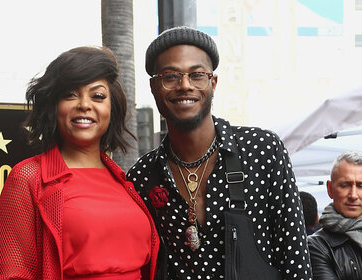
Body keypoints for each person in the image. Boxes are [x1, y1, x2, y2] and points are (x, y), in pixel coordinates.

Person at [127, 26, 312, 279]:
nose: (184, 85)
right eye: (170, 76)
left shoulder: (262, 149)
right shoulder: (143, 176)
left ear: (213, 83)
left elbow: (296, 259)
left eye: (197, 75)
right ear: (154, 87)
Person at [0, 46, 159, 279]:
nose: (84, 104)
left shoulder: (123, 181)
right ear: (54, 106)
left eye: (97, 96)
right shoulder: (28, 177)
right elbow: (11, 274)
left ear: (112, 108)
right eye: (70, 94)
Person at [308, 151, 362, 279]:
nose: (353, 195)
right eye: (345, 185)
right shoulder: (317, 245)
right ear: (330, 189)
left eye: (360, 186)